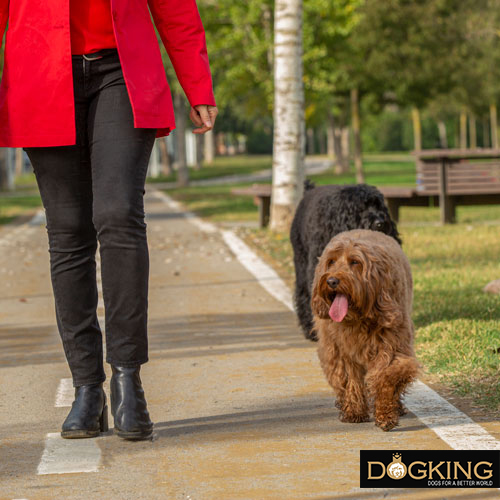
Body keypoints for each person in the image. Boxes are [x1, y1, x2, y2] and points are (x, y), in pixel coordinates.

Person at [0, 0, 218, 441]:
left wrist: (197, 86)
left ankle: (127, 378)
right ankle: (87, 388)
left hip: (123, 71)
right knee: (68, 230)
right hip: (40, 71)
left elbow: (176, 10)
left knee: (118, 215)